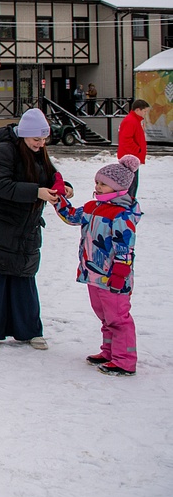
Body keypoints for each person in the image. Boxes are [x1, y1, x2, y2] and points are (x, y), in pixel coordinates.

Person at [0, 107, 71, 351]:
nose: (41, 143)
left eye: (44, 139)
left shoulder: (38, 152)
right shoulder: (4, 151)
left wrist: (63, 188)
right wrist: (36, 192)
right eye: (36, 139)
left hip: (24, 229)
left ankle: (29, 330)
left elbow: (51, 176)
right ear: (24, 135)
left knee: (24, 279)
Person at [52, 155, 142, 376]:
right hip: (94, 274)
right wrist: (58, 199)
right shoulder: (93, 208)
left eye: (102, 184)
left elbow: (124, 248)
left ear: (118, 188)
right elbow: (72, 216)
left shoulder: (123, 215)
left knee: (118, 318)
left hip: (114, 277)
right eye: (97, 182)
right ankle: (109, 351)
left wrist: (120, 273)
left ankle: (125, 360)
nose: (97, 187)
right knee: (104, 315)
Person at [116, 99, 149, 197]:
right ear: (138, 110)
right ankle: (128, 205)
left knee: (132, 183)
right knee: (130, 184)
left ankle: (130, 204)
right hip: (130, 158)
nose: (145, 114)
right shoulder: (131, 121)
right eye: (144, 111)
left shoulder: (135, 120)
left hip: (132, 157)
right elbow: (126, 139)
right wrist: (137, 150)